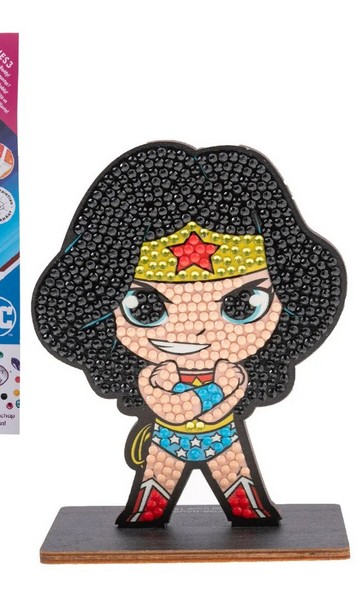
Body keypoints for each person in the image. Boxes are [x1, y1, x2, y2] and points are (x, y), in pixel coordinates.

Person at [33, 142, 345, 526]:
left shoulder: (207, 375)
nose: (195, 327)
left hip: (223, 441)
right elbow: (173, 409)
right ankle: (148, 519)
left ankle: (247, 515)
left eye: (241, 304)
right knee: (150, 500)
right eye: (146, 306)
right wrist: (213, 393)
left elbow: (190, 405)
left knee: (245, 495)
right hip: (167, 443)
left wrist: (204, 398)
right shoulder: (178, 376)